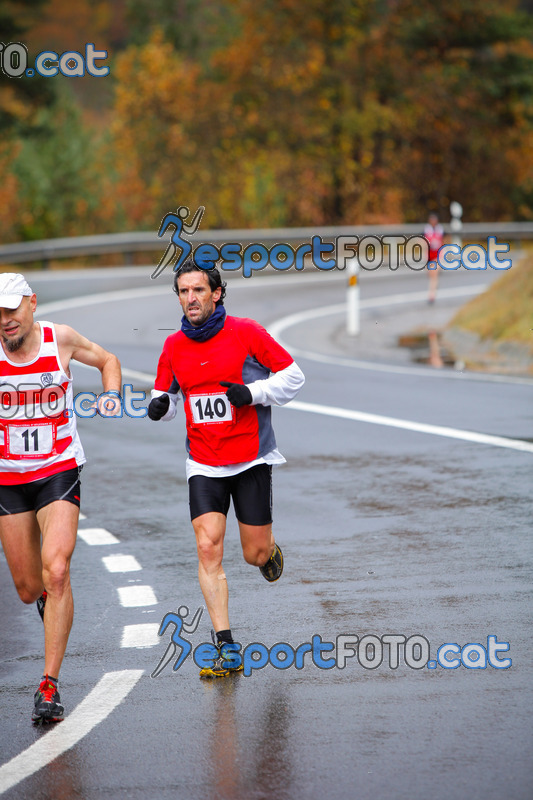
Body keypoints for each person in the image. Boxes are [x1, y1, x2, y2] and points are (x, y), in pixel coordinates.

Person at [148, 258, 305, 678]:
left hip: (251, 457)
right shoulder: (174, 347)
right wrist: (161, 406)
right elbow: (164, 398)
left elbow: (294, 377)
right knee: (207, 546)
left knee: (253, 554)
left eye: (198, 290)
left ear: (216, 293)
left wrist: (253, 393)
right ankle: (226, 647)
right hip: (203, 461)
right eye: (183, 292)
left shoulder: (246, 331)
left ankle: (268, 550)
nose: (190, 298)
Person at [0, 273, 121, 723]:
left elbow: (108, 360)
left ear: (32, 303)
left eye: (12, 309)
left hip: (58, 471)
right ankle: (52, 604)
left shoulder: (60, 340)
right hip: (9, 480)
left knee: (57, 569)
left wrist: (110, 397)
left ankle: (48, 684)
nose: (6, 320)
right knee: (30, 587)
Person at [424, 213, 445, 303]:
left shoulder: (440, 229)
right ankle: (433, 289)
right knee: (430, 274)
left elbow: (444, 240)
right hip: (429, 256)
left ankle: (432, 294)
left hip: (437, 255)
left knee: (434, 274)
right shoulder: (427, 230)